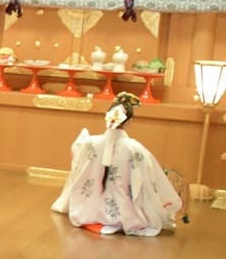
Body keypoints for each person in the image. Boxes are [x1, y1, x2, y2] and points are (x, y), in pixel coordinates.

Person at [51, 92, 183, 236]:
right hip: (124, 209)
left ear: (107, 116)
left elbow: (77, 154)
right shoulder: (134, 148)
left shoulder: (90, 143)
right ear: (129, 121)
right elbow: (148, 175)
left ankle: (95, 211)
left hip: (89, 207)